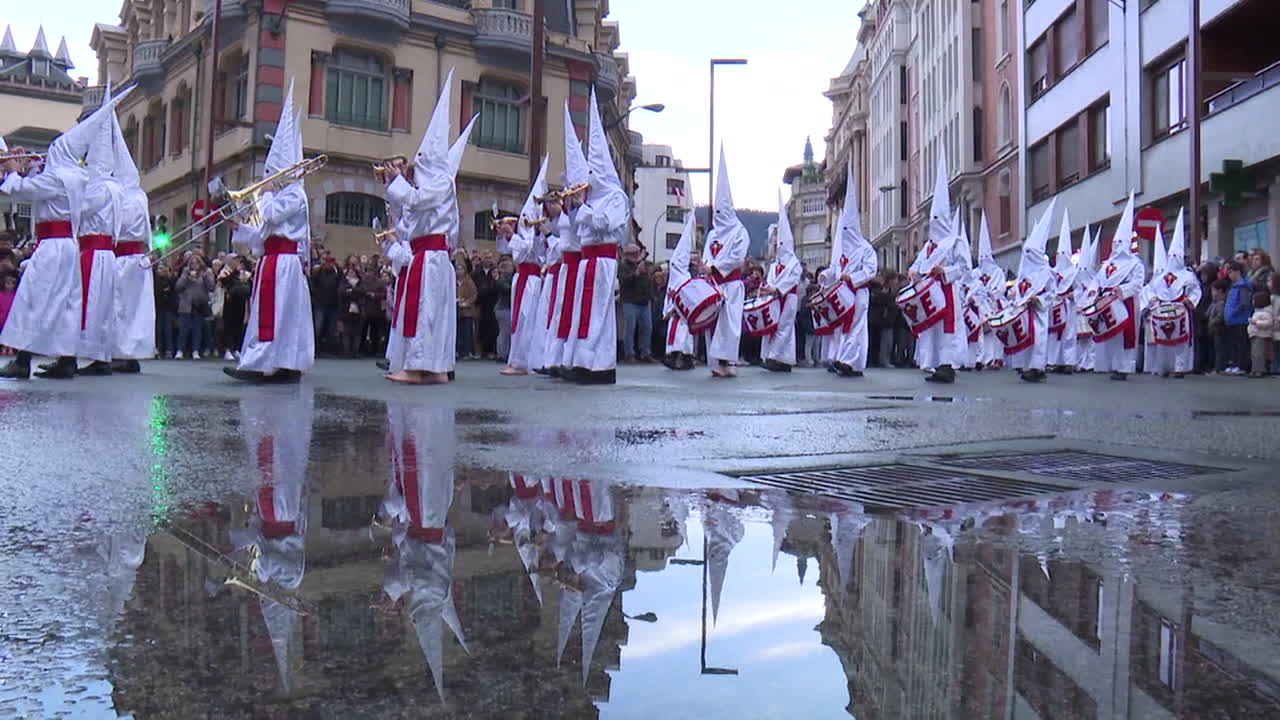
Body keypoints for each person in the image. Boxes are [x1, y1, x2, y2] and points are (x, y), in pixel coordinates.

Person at [0, 88, 129, 379]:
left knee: (35, 297)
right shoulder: (77, 176)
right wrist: (29, 168)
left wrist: (12, 170)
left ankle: (22, 360)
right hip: (67, 246)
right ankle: (67, 360)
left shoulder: (59, 177)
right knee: (66, 303)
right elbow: (42, 187)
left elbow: (25, 191)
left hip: (53, 245)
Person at [382, 68, 477, 385]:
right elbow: (411, 217)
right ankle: (433, 368)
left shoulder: (439, 182)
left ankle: (421, 366)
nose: (416, 166)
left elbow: (419, 202)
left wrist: (395, 181)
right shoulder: (434, 183)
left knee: (427, 312)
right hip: (428, 256)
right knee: (431, 312)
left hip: (432, 258)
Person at [223, 79, 316, 383]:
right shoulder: (280, 193)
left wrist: (263, 193)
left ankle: (275, 363)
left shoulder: (293, 194)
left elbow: (272, 213)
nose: (268, 179)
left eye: (272, 174)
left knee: (280, 316)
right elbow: (265, 231)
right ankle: (273, 362)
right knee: (275, 315)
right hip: (273, 261)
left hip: (284, 264)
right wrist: (240, 228)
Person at [568, 90, 630, 384]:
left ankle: (600, 364)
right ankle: (583, 360)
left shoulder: (615, 197)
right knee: (585, 310)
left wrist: (586, 209)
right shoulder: (590, 199)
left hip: (603, 260)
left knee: (599, 314)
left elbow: (608, 224)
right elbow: (581, 231)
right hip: (587, 260)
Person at [72, 105, 123, 375]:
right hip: (106, 254)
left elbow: (80, 209)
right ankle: (101, 354)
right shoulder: (116, 187)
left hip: (94, 251)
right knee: (103, 306)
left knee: (90, 304)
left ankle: (89, 355)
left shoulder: (99, 186)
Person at [907, 159, 968, 383]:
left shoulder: (955, 241)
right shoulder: (928, 246)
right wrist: (913, 272)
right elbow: (918, 263)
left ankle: (947, 365)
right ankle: (933, 364)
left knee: (947, 329)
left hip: (946, 291)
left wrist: (945, 271)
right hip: (929, 293)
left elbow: (963, 267)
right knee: (932, 330)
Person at [107, 110, 155, 373]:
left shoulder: (125, 197)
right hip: (138, 257)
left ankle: (123, 352)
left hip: (125, 258)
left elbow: (118, 225)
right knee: (136, 309)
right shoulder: (140, 195)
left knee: (122, 307)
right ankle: (131, 353)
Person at [818, 161, 876, 377]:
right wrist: (826, 275)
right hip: (842, 294)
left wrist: (851, 277)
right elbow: (835, 268)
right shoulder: (842, 251)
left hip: (858, 292)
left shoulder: (865, 249)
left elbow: (870, 271)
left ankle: (852, 362)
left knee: (857, 327)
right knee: (845, 327)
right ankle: (844, 359)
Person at [697, 147, 749, 379]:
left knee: (729, 325)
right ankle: (717, 361)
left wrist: (715, 267)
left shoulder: (739, 231)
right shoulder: (712, 233)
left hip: (731, 285)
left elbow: (737, 257)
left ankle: (728, 361)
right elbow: (709, 253)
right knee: (714, 324)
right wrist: (704, 266)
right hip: (714, 286)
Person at [1089, 194, 1145, 380]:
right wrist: (1094, 291)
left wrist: (1121, 291)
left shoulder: (1135, 264)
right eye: (1115, 242)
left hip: (1124, 302)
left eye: (1120, 242)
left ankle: (1123, 368)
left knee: (1124, 337)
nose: (1116, 245)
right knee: (1110, 335)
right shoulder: (1107, 264)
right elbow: (1097, 280)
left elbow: (1137, 284)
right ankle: (1110, 365)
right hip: (1107, 303)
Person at [550, 103, 588, 378]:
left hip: (577, 262)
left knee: (574, 311)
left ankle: (571, 357)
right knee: (562, 311)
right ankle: (558, 357)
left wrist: (574, 204)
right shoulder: (568, 209)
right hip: (565, 264)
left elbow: (579, 227)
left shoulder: (582, 206)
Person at [504, 156, 549, 375]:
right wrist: (510, 236)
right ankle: (515, 359)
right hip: (520, 277)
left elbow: (529, 251)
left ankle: (524, 361)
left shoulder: (540, 234)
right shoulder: (526, 233)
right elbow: (515, 254)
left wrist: (517, 235)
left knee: (527, 318)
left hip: (531, 279)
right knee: (518, 318)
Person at [1004, 200, 1058, 383]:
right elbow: (1019, 289)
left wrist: (1039, 300)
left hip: (1038, 312)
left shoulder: (1047, 272)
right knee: (1026, 337)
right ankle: (1028, 366)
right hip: (1024, 312)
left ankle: (1037, 367)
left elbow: (1052, 293)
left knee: (1039, 339)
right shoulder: (1023, 271)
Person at [1143, 211, 1201, 378]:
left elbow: (1195, 289)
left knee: (1181, 341)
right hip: (1162, 309)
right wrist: (1152, 301)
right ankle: (1164, 367)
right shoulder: (1159, 276)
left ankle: (1180, 368)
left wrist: (1190, 300)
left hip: (1180, 309)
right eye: (1172, 255)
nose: (1174, 258)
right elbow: (1151, 289)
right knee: (1163, 340)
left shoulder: (1188, 275)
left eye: (1177, 255)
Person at [760, 196, 803, 372]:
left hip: (788, 297)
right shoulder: (775, 263)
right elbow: (770, 278)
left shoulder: (794, 263)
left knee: (784, 327)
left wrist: (777, 289)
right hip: (775, 298)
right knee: (776, 327)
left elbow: (792, 279)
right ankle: (783, 358)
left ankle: (774, 356)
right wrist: (768, 289)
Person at [529, 191, 563, 374]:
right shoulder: (551, 223)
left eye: (551, 203)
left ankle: (554, 359)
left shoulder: (565, 222)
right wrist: (538, 234)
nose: (547, 208)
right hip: (550, 274)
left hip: (561, 272)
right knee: (545, 318)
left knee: (556, 317)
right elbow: (540, 254)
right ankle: (544, 358)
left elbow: (562, 249)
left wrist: (549, 234)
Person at [969, 212, 1007, 370]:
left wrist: (990, 295)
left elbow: (1000, 288)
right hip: (980, 308)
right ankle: (981, 358)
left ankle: (996, 358)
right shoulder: (975, 272)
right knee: (982, 334)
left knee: (995, 334)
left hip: (994, 306)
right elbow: (972, 287)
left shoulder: (997, 271)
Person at [1046, 210, 1081, 374]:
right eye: (1058, 254)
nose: (1060, 256)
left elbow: (1080, 289)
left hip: (1069, 308)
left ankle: (1068, 362)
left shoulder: (1074, 272)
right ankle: (1054, 361)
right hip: (1055, 307)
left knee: (1068, 334)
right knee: (1054, 336)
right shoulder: (1052, 271)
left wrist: (1070, 296)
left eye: (1063, 253)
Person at [662, 213, 698, 371]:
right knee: (677, 335)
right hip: (676, 313)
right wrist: (668, 309)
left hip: (683, 314)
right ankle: (676, 357)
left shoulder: (685, 276)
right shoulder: (675, 275)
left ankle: (684, 358)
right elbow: (670, 293)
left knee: (683, 335)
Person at [618, 244, 653, 364]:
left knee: (647, 328)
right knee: (629, 328)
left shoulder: (646, 264)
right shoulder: (622, 266)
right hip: (630, 301)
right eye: (632, 254)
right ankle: (629, 353)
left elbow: (649, 280)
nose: (634, 256)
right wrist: (636, 273)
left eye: (636, 253)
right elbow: (623, 281)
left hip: (644, 300)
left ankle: (645, 352)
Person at [1222, 260, 1253, 375]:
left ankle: (1242, 365)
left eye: (1230, 272)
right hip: (1232, 321)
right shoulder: (1233, 287)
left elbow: (1244, 304)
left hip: (1241, 320)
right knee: (1233, 344)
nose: (1229, 275)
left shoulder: (1243, 286)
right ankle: (1234, 363)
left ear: (1237, 272)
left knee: (1241, 344)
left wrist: (1233, 312)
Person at [218, 255, 251, 361]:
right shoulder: (225, 271)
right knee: (228, 326)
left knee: (239, 325)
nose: (238, 263)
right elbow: (223, 282)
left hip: (241, 303)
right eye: (235, 261)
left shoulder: (245, 274)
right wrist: (235, 273)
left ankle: (237, 348)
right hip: (229, 302)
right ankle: (228, 349)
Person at [454, 250, 478, 360]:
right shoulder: (452, 281)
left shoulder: (469, 281)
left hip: (467, 310)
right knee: (456, 332)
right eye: (457, 269)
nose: (459, 271)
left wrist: (466, 302)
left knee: (466, 332)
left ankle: (466, 351)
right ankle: (457, 351)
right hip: (455, 310)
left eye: (461, 269)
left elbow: (474, 294)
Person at [1246, 290, 1274, 378]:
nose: (1252, 302)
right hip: (1254, 335)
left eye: (1254, 300)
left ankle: (1260, 370)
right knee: (1254, 353)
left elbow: (1268, 323)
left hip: (1261, 335)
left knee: (1259, 354)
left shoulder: (1266, 313)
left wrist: (1256, 322)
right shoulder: (1256, 312)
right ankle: (1254, 369)